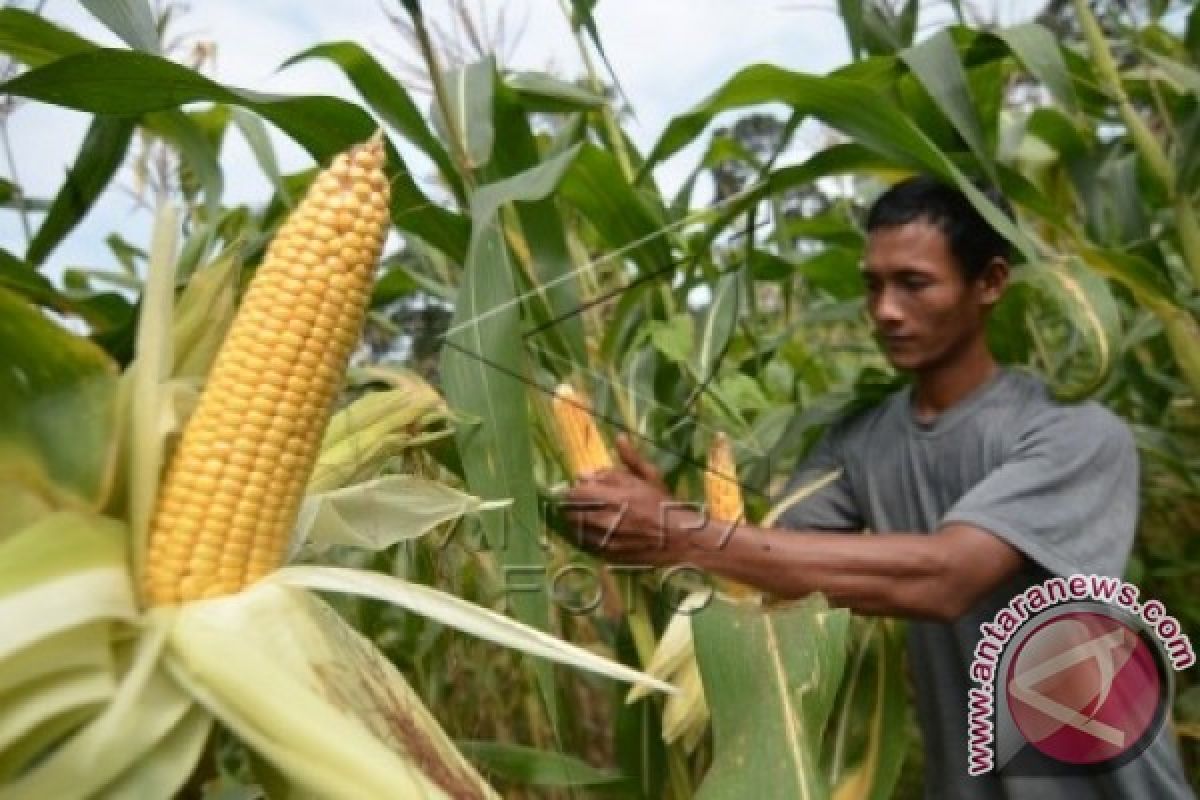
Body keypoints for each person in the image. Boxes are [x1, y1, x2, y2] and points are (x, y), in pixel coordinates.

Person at [563, 176, 1194, 799]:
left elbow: (949, 576)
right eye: (873, 286)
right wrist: (667, 520)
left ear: (991, 282)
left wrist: (683, 533)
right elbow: (762, 562)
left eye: (914, 284)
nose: (885, 310)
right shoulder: (857, 445)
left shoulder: (1074, 434)